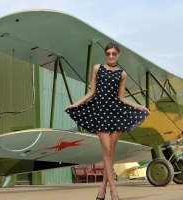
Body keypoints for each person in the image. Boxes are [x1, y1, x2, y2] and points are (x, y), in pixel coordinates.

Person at [64, 42, 150, 200]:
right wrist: (76, 104)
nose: (111, 56)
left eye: (114, 54)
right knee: (108, 150)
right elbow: (92, 92)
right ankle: (114, 191)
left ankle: (102, 190)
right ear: (105, 54)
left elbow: (122, 98)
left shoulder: (122, 74)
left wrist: (139, 106)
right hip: (101, 113)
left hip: (116, 114)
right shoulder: (97, 68)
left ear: (119, 55)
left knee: (111, 154)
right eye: (108, 53)